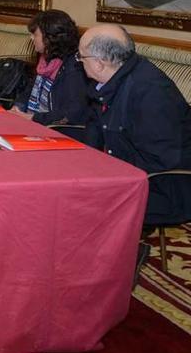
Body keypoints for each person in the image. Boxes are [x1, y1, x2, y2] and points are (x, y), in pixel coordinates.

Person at [80, 24, 191, 223]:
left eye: (81, 56)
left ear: (99, 63)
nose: (79, 62)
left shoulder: (151, 92)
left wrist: (107, 174)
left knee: (80, 202)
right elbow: (96, 128)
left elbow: (161, 160)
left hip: (165, 186)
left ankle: (122, 253)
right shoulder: (109, 81)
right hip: (127, 174)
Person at [11, 10, 91, 126]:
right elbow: (29, 91)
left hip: (51, 130)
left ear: (50, 38)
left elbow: (72, 114)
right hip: (30, 123)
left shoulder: (74, 68)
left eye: (35, 34)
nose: (31, 38)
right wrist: (17, 107)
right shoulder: (45, 60)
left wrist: (33, 118)